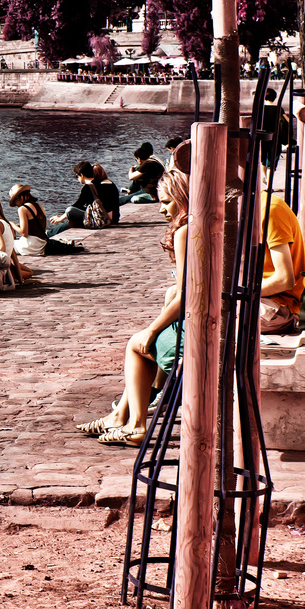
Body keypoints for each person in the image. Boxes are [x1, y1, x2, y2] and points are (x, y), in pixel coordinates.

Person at [78, 169, 191, 446]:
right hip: (204, 321)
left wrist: (153, 331)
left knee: (136, 344)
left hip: (199, 330)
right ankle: (118, 415)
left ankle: (137, 425)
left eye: (166, 202)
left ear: (182, 197)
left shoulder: (185, 232)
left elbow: (187, 291)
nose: (162, 209)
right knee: (143, 338)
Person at [258, 190, 305, 332]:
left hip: (279, 305)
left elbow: (284, 279)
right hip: (259, 298)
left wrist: (244, 292)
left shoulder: (271, 211)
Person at [46, 160, 122, 235]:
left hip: (101, 219)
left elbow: (77, 205)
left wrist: (60, 218)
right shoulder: (100, 184)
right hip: (109, 218)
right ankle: (51, 233)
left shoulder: (87, 188)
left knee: (70, 211)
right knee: (73, 220)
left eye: (77, 176)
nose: (78, 179)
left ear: (82, 175)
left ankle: (50, 233)